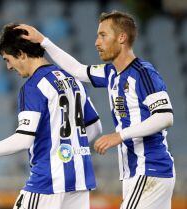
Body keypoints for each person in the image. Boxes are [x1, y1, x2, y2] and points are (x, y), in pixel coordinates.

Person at [16, 10, 175, 209]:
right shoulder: (111, 73)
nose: (96, 42)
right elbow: (77, 70)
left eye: (103, 35)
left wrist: (120, 135)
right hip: (135, 173)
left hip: (150, 168)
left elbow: (165, 117)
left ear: (122, 37)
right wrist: (44, 41)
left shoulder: (144, 74)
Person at [0, 23, 102, 209]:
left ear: (21, 54)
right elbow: (95, 126)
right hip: (81, 179)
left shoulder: (33, 87)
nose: (9, 66)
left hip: (48, 181)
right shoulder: (73, 80)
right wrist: (66, 149)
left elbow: (23, 140)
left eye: (8, 59)